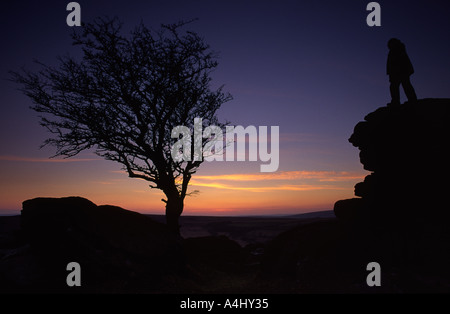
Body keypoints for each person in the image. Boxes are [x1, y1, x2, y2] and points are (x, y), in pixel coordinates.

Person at [386, 38, 417, 105]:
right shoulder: (395, 50)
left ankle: (411, 99)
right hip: (397, 72)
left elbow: (399, 61)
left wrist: (392, 72)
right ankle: (397, 101)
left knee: (404, 84)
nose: (389, 46)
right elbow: (390, 63)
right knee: (396, 86)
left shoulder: (398, 50)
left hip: (401, 71)